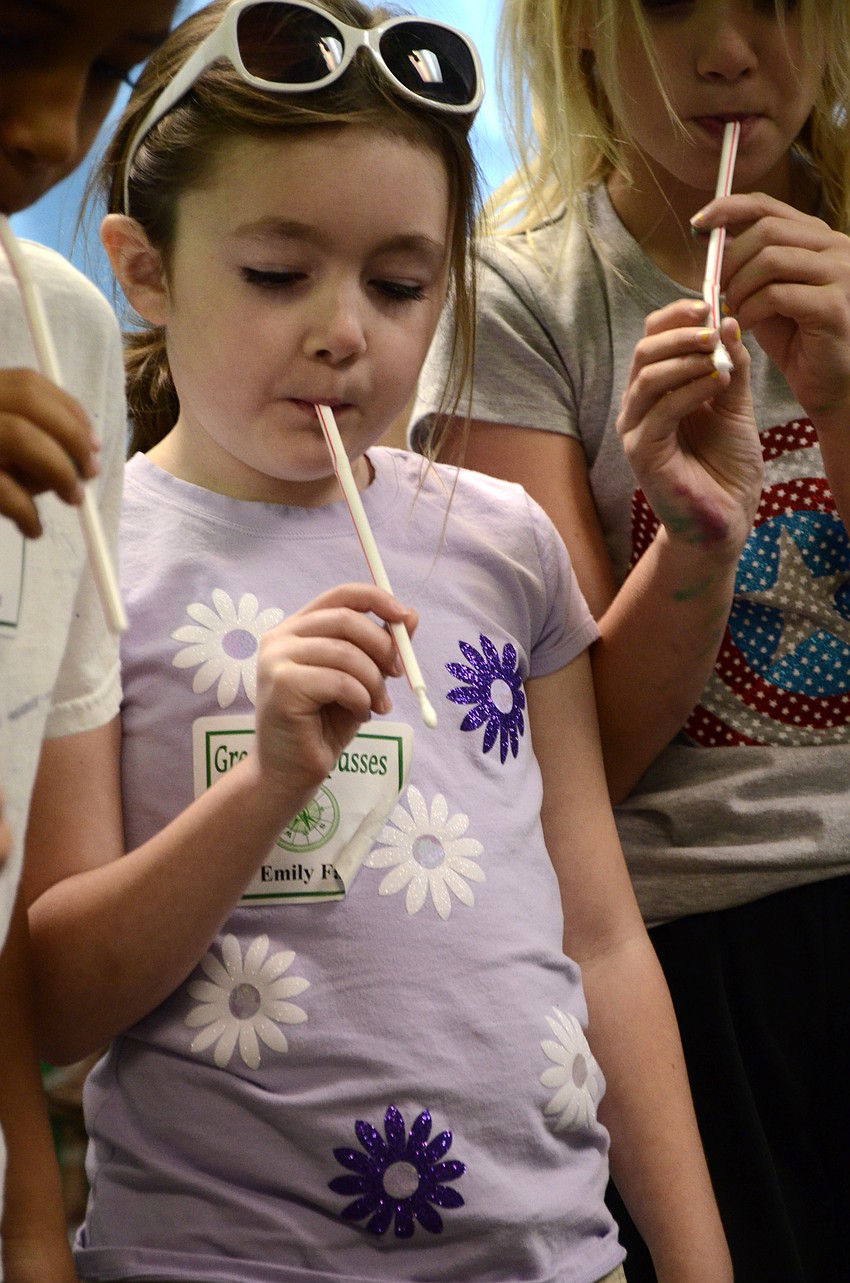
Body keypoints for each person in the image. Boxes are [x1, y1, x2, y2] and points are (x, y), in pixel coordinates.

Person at [22, 2, 732, 1279]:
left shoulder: (500, 540)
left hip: (551, 1254)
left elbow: (601, 935)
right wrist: (266, 783)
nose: (345, 329)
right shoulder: (91, 552)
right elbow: (55, 1003)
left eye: (400, 285)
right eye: (276, 274)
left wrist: (696, 1261)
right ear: (143, 268)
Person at [410, 1, 850, 1280]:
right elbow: (573, 766)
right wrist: (694, 540)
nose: (728, 51)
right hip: (694, 942)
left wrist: (838, 403)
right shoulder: (516, 298)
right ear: (578, 32)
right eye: (665, 2)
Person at [0, 2, 178, 1278]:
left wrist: (29, 1217)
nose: (49, 130)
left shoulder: (62, 337)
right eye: (13, 37)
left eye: (112, 68)